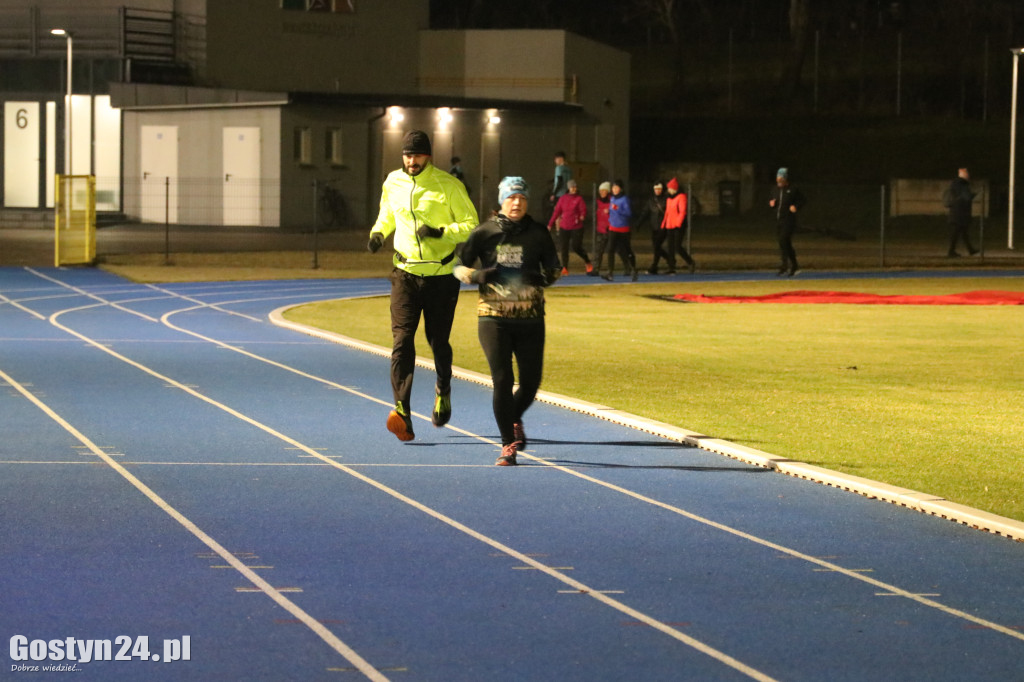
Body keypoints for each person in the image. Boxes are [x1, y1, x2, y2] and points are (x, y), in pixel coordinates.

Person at [367, 130, 479, 441]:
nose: (411, 160)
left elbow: (471, 226)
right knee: (402, 341)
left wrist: (441, 232)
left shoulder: (448, 185)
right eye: (407, 155)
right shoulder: (393, 182)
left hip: (441, 277)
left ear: (428, 156)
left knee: (438, 341)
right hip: (404, 274)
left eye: (417, 155)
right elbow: (388, 214)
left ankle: (443, 387)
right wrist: (378, 233)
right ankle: (401, 409)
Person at [454, 177, 561, 466]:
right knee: (502, 380)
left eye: (522, 198)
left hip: (530, 318)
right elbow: (457, 267)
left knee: (530, 383)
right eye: (512, 197)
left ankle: (513, 418)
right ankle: (507, 446)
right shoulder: (484, 232)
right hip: (493, 318)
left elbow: (554, 267)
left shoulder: (539, 233)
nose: (517, 203)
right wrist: (476, 275)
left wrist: (545, 278)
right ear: (502, 200)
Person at [547, 179, 593, 275]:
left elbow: (583, 210)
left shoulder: (579, 199)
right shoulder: (563, 199)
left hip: (577, 227)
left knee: (576, 246)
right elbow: (557, 212)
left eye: (575, 187)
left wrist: (582, 216)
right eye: (572, 187)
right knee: (564, 248)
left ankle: (587, 261)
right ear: (568, 188)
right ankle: (564, 267)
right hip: (565, 227)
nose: (574, 189)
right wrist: (550, 224)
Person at [768, 167, 805, 277]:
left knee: (783, 240)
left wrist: (796, 207)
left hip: (789, 220)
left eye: (781, 180)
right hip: (778, 220)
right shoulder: (774, 189)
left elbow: (803, 200)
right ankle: (788, 265)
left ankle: (792, 265)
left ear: (785, 179)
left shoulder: (793, 189)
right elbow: (772, 202)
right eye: (777, 179)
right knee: (783, 244)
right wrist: (771, 205)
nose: (778, 182)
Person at [602, 179, 638, 282]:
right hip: (613, 228)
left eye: (616, 187)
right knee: (610, 250)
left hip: (623, 228)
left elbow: (628, 213)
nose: (614, 189)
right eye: (613, 187)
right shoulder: (612, 199)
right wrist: (609, 212)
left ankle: (634, 269)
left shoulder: (625, 200)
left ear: (621, 188)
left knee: (627, 249)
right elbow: (613, 212)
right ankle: (610, 272)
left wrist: (617, 208)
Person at [661, 177, 696, 274]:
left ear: (675, 188)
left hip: (679, 225)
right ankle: (671, 267)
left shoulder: (681, 197)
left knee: (677, 246)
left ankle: (690, 262)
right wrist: (664, 223)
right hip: (670, 224)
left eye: (670, 188)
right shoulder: (669, 198)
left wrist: (678, 223)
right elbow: (667, 212)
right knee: (670, 247)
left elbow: (682, 212)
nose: (668, 190)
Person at [636, 180, 670, 274]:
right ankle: (669, 259)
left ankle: (654, 266)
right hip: (654, 227)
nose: (657, 191)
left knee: (657, 246)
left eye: (659, 189)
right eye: (656, 189)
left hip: (663, 226)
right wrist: (639, 223)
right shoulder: (651, 200)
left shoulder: (666, 199)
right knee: (656, 247)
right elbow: (645, 212)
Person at [945, 167, 979, 257]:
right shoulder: (961, 184)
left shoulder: (956, 184)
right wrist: (972, 195)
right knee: (957, 232)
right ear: (964, 175)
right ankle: (951, 252)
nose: (968, 176)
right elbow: (966, 197)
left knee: (962, 232)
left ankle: (970, 249)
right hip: (960, 212)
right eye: (967, 174)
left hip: (957, 212)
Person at [589, 181, 612, 276]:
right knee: (598, 250)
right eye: (601, 191)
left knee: (617, 249)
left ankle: (628, 267)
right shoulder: (597, 202)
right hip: (601, 230)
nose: (602, 193)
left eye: (604, 191)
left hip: (611, 230)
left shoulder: (612, 201)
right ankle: (596, 269)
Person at [547, 151, 573, 216]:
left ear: (561, 159)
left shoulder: (558, 168)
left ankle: (559, 226)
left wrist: (554, 194)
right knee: (565, 213)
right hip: (567, 193)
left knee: (557, 214)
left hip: (559, 194)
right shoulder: (569, 169)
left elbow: (559, 181)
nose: (555, 161)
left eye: (556, 159)